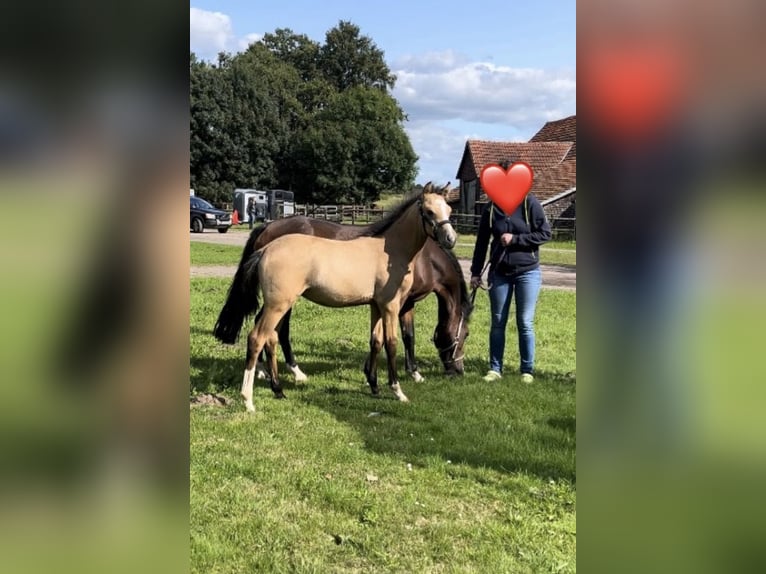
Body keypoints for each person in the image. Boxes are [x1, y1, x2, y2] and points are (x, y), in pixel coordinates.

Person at [470, 185, 552, 383]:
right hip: (499, 273)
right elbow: (481, 242)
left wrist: (516, 239)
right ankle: (495, 368)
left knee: (524, 322)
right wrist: (475, 272)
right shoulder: (491, 209)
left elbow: (545, 233)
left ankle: (527, 370)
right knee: (498, 322)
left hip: (528, 272)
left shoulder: (529, 203)